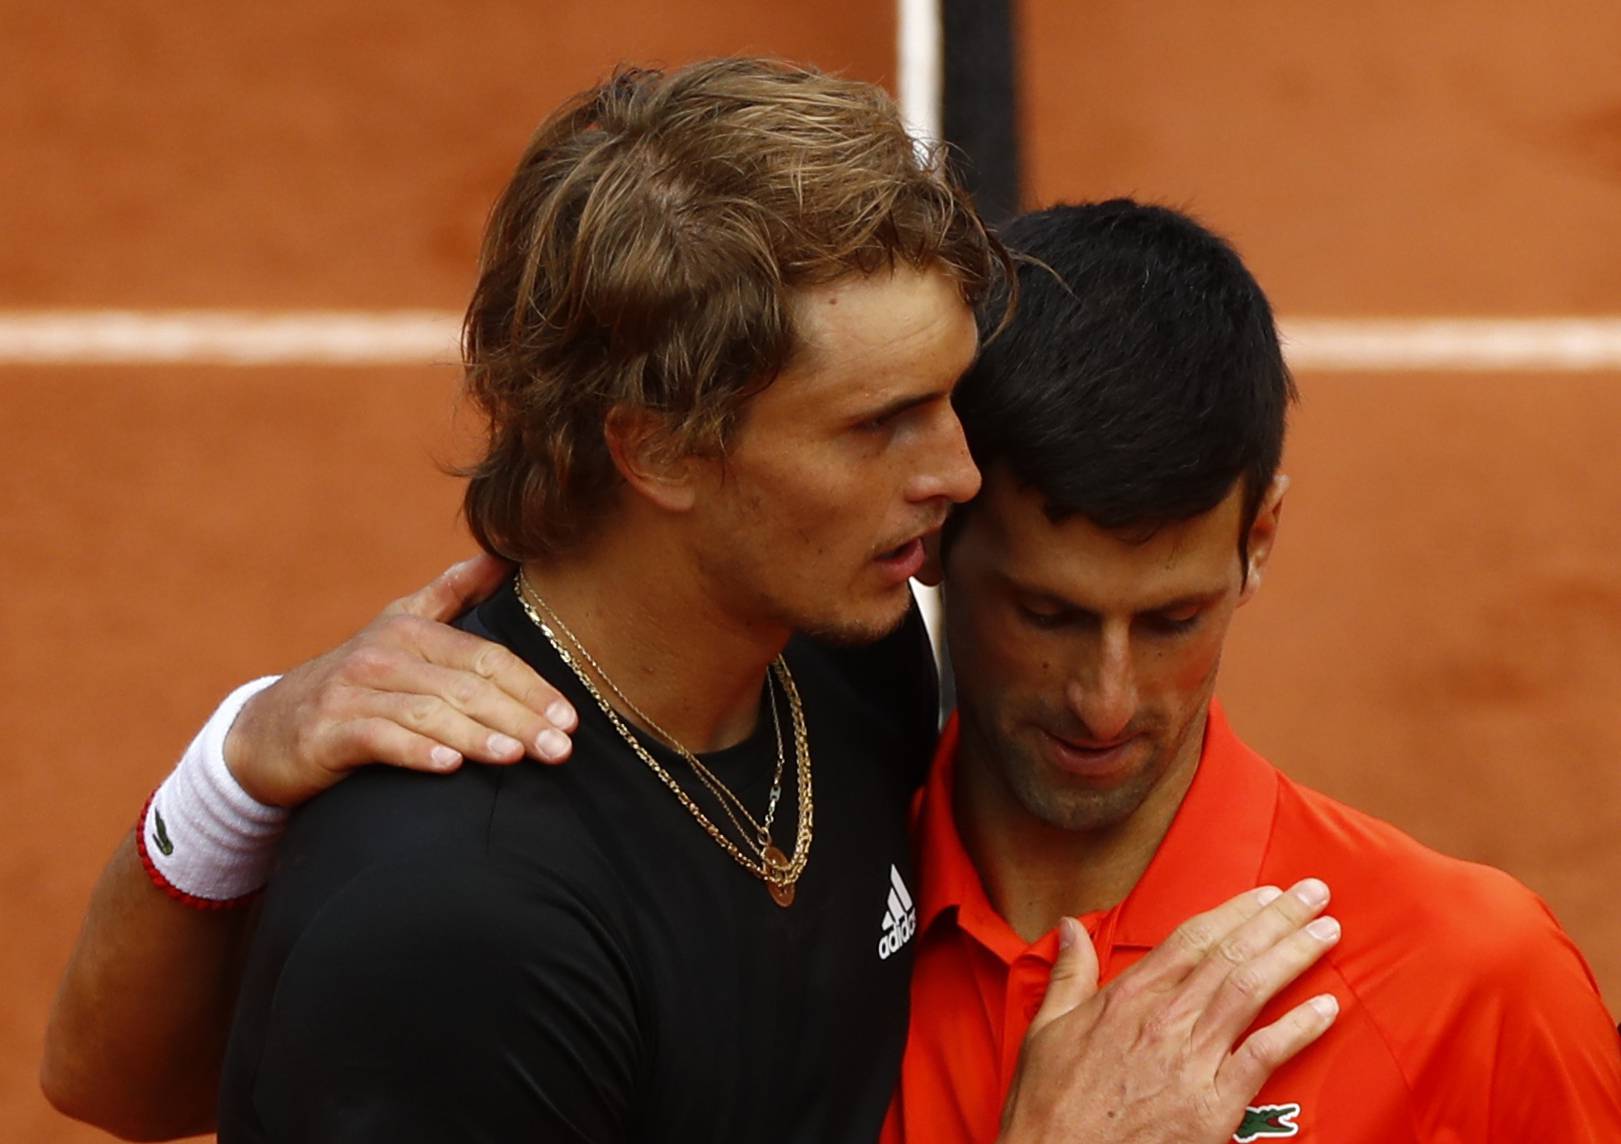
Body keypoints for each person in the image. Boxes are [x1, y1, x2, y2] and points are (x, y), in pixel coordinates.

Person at [43, 65, 1338, 1143]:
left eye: (946, 397)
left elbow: (130, 1081)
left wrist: (230, 782)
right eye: (879, 423)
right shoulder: (470, 925)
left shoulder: (847, 655)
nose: (953, 475)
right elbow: (119, 1090)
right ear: (658, 448)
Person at [887, 200, 1621, 1142]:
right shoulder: (775, 928)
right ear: (935, 530)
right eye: (1049, 614)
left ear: (1258, 540)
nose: (1105, 702)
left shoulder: (1474, 983)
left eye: (1171, 620)